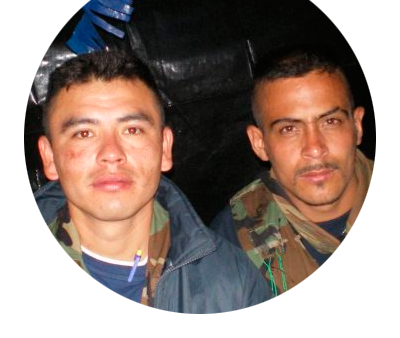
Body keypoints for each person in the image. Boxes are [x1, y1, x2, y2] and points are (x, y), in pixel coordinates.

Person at [24, 50, 279, 314]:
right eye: (84, 133)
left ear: (165, 148)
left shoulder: (232, 284)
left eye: (132, 130)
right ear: (50, 157)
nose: (111, 153)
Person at [211, 48, 375, 306]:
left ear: (357, 126)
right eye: (289, 129)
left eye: (330, 122)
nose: (315, 148)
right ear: (260, 143)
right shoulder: (231, 243)